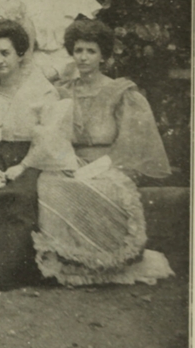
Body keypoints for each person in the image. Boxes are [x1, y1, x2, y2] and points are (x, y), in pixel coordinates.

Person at [33, 20, 174, 286]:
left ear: (103, 56)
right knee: (49, 183)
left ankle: (107, 264)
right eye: (78, 51)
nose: (83, 57)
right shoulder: (63, 90)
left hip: (110, 162)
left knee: (103, 187)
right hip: (70, 161)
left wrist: (97, 168)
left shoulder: (120, 92)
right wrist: (65, 162)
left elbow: (131, 144)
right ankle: (70, 263)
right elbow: (53, 136)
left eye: (90, 51)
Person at [0, 20, 75, 290]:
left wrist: (24, 166)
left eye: (5, 53)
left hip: (32, 158)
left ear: (20, 53)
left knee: (21, 196)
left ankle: (3, 274)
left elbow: (50, 136)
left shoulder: (41, 89)